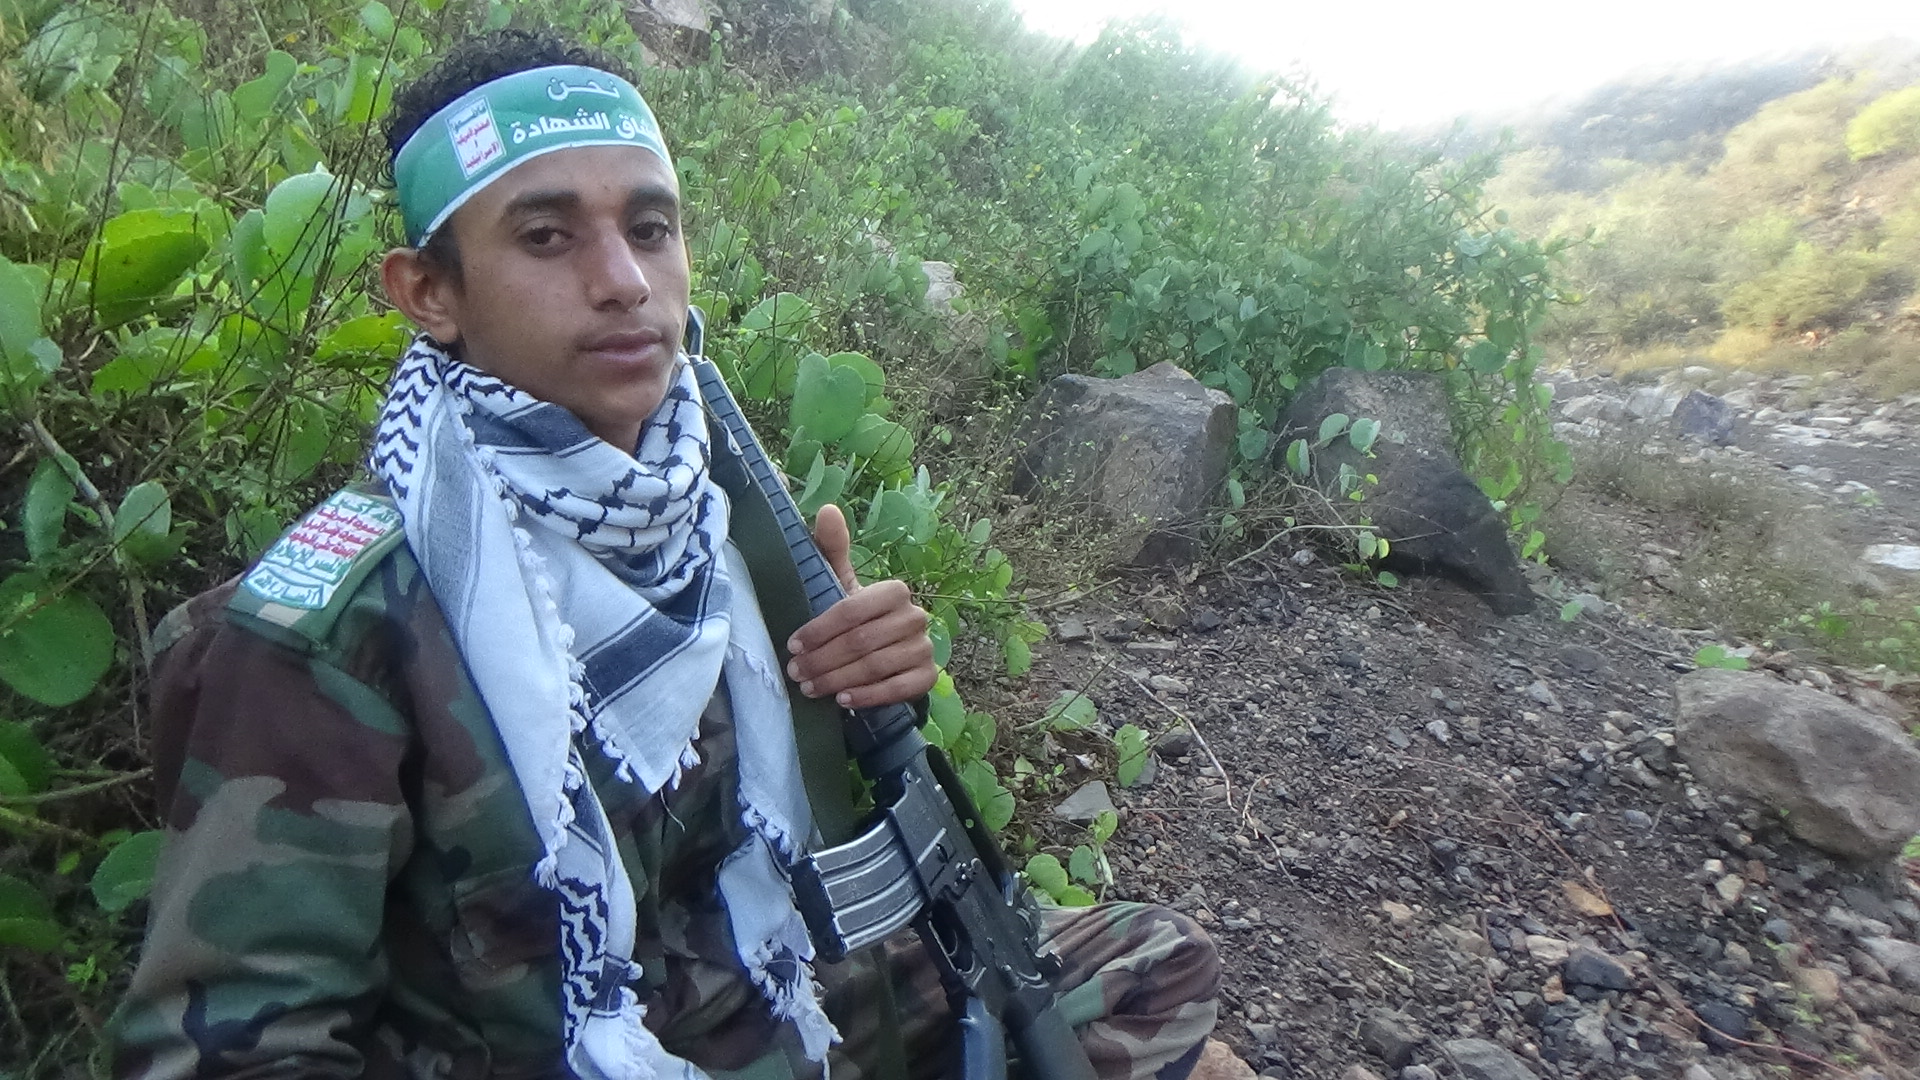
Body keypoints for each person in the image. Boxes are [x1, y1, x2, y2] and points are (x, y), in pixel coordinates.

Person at [111, 29, 1219, 1080]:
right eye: (547, 238)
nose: (625, 282)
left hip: (773, 993)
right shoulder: (330, 633)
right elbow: (230, 1052)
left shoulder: (714, 508)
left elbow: (800, 843)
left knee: (1152, 968)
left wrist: (857, 689)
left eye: (649, 229)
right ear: (429, 293)